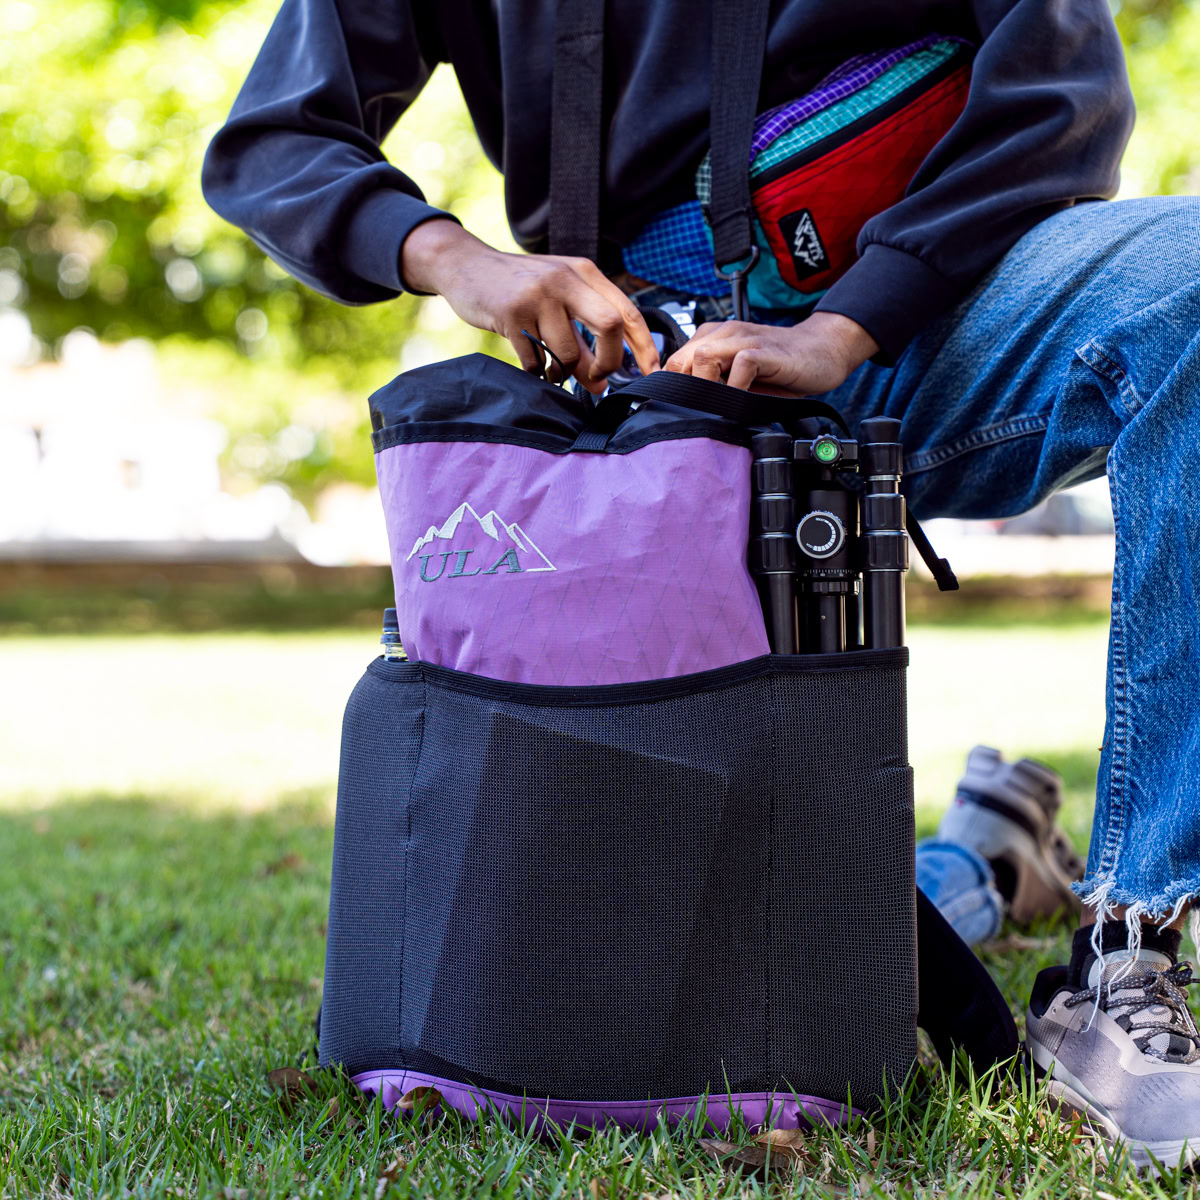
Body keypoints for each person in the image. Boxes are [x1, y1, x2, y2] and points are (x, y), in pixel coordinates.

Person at [202, 0, 1200, 1171]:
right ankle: (980, 864)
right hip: (645, 368)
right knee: (660, 846)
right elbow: (273, 141)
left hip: (930, 302)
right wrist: (464, 261)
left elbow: (1062, 88)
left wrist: (847, 324)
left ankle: (1126, 949)